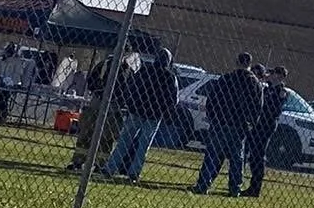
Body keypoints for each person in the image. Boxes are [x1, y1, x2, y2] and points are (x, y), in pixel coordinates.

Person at [100, 49, 179, 184]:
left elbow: (131, 87)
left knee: (124, 141)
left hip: (136, 111)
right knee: (143, 145)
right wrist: (165, 111)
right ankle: (134, 172)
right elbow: (174, 99)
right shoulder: (170, 77)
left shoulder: (144, 71)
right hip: (154, 115)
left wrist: (131, 104)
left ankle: (110, 168)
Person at [194, 53, 262, 197]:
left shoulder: (226, 79)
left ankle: (203, 184)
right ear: (249, 63)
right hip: (240, 125)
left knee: (212, 154)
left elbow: (212, 98)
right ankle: (235, 188)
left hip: (221, 121)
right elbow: (257, 106)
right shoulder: (254, 83)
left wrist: (212, 116)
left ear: (236, 62)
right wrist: (251, 124)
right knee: (237, 158)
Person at [244, 63, 288, 197]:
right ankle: (252, 185)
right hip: (258, 124)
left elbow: (274, 109)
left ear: (279, 76)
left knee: (258, 154)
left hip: (267, 125)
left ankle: (255, 186)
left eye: (274, 73)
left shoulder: (281, 91)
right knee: (253, 154)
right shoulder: (267, 89)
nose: (270, 76)